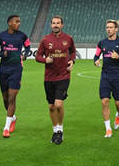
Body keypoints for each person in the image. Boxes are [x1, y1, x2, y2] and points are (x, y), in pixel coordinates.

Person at [35, 16, 76, 145]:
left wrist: (72, 60)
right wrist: (45, 60)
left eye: (58, 23)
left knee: (59, 104)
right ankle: (55, 130)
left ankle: (60, 130)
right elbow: (37, 56)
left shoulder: (68, 38)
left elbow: (73, 52)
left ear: (62, 25)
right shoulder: (45, 40)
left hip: (64, 76)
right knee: (52, 106)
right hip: (49, 78)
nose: (56, 25)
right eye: (53, 23)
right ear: (50, 25)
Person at [0, 15, 31, 138]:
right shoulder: (0, 36)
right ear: (9, 23)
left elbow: (28, 47)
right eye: (16, 21)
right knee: (5, 99)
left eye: (19, 21)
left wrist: (26, 54)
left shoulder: (22, 35)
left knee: (12, 97)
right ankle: (13, 118)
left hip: (16, 69)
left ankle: (6, 128)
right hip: (3, 69)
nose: (19, 23)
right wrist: (1, 54)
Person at [93, 19, 119, 138]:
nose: (109, 29)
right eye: (107, 27)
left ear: (116, 29)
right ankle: (108, 128)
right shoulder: (102, 43)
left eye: (111, 27)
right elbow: (96, 55)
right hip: (105, 76)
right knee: (104, 101)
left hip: (118, 76)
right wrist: (95, 61)